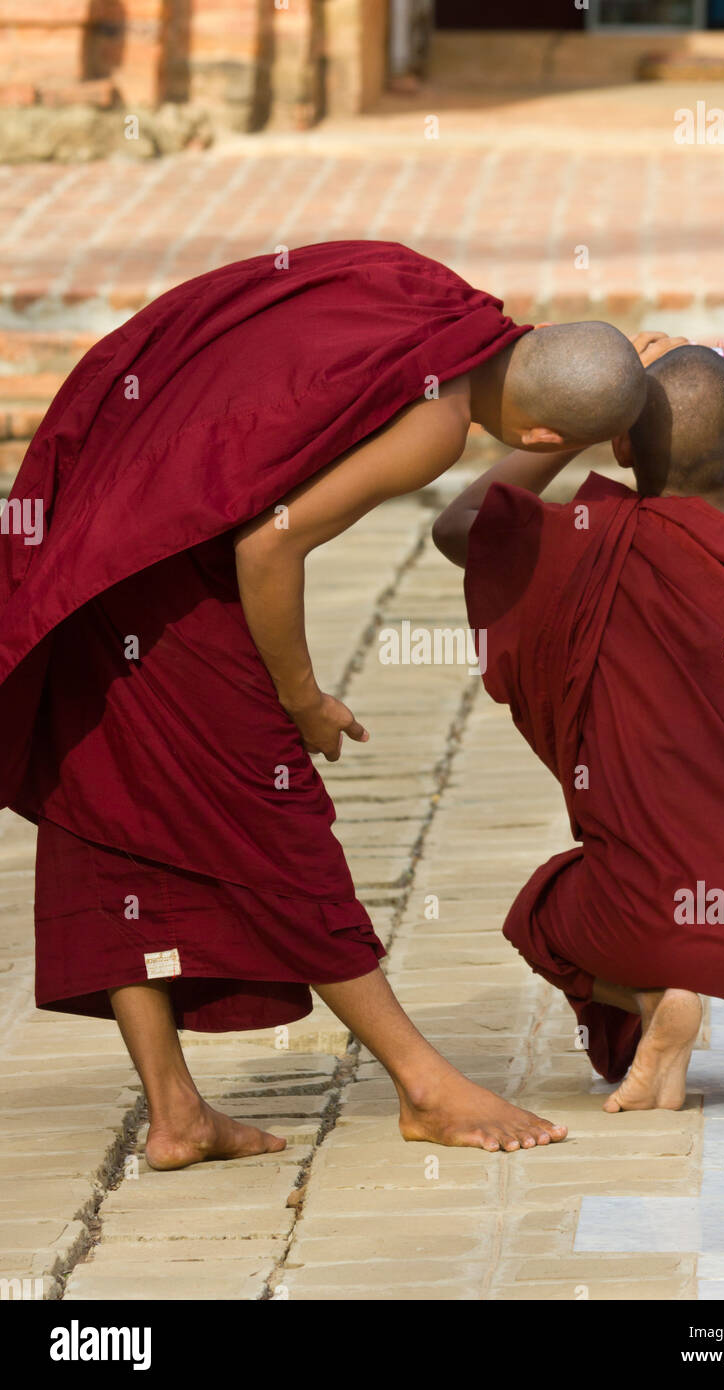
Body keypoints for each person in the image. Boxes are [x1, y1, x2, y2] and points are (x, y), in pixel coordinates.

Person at [0, 238, 649, 1165]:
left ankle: (177, 1114)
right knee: (277, 818)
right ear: (547, 439)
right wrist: (301, 697)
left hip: (116, 495)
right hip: (162, 558)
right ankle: (424, 1085)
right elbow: (269, 547)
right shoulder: (439, 425)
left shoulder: (424, 285)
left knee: (111, 792)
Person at [433, 337, 724, 1112]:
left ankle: (649, 1000)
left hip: (646, 922)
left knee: (538, 912)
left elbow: (459, 525)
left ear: (622, 442)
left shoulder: (576, 545)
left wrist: (576, 418)